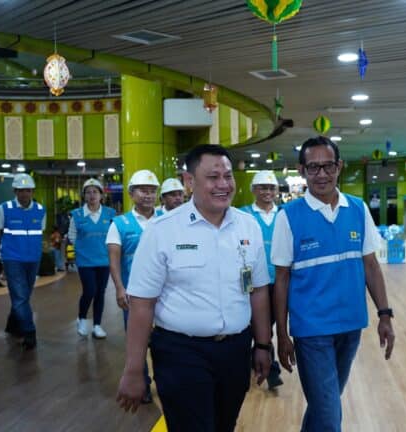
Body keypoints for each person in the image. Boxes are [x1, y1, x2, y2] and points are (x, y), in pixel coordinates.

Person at [116, 145, 272, 432]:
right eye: (213, 177)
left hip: (235, 351)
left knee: (224, 425)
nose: (224, 184)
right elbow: (142, 305)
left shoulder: (248, 227)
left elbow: (258, 290)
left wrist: (262, 344)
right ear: (189, 182)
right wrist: (134, 368)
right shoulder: (162, 231)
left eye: (228, 176)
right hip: (180, 353)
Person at [271, 136, 395, 432]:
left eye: (328, 166)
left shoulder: (358, 208)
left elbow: (371, 266)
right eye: (313, 168)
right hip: (311, 331)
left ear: (339, 166)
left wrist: (385, 314)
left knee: (325, 403)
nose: (322, 174)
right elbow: (281, 279)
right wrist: (282, 335)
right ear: (302, 171)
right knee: (328, 414)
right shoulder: (288, 217)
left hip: (351, 325)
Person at [107, 169, 162, 403]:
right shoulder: (119, 223)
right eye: (143, 190)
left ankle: (167, 382)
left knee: (163, 341)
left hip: (165, 294)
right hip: (134, 295)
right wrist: (119, 288)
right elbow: (114, 260)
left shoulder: (166, 218)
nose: (148, 195)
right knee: (137, 341)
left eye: (152, 191)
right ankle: (143, 384)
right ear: (131, 193)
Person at [239, 170, 283, 390]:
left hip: (278, 280)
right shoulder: (243, 215)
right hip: (250, 281)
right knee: (251, 323)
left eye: (271, 188)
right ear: (253, 190)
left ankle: (266, 363)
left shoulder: (284, 214)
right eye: (263, 188)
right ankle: (266, 366)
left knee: (268, 324)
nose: (267, 192)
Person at [0, 173, 46, 350]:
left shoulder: (40, 210)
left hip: (33, 259)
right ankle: (29, 332)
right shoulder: (3, 209)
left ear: (32, 191)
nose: (24, 194)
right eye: (21, 191)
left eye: (28, 190)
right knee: (21, 296)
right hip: (12, 258)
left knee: (23, 295)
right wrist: (5, 251)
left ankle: (12, 325)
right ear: (15, 191)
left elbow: (40, 232)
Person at [69, 178, 116, 339]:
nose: (92, 195)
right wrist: (83, 250)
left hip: (104, 260)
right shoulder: (76, 215)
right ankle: (82, 319)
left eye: (95, 192)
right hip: (85, 261)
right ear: (84, 196)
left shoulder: (110, 213)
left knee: (100, 293)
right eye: (88, 192)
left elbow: (114, 236)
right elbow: (72, 237)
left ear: (101, 195)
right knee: (90, 290)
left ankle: (97, 325)